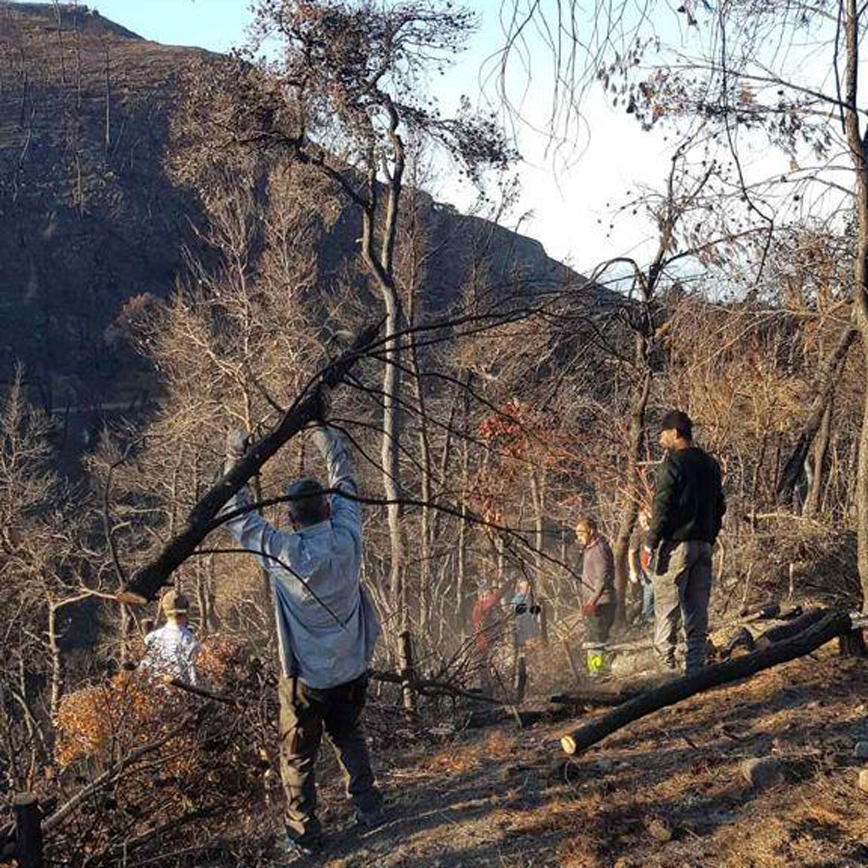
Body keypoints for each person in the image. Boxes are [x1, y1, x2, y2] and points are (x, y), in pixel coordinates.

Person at [223, 421, 383, 861]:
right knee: (349, 734)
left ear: (291, 518)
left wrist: (237, 454)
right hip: (351, 667)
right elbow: (345, 477)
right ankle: (368, 806)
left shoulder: (283, 552)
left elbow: (237, 516)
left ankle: (305, 834)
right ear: (328, 509)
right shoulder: (348, 537)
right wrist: (320, 431)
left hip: (306, 679)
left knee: (297, 757)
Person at [643, 409, 726, 677]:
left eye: (664, 433)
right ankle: (695, 669)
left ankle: (665, 671)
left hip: (677, 546)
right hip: (704, 546)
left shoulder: (673, 464)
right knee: (697, 609)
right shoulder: (711, 464)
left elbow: (662, 507)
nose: (660, 439)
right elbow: (720, 505)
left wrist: (649, 544)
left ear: (676, 433)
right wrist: (710, 536)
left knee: (666, 607)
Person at [575, 516, 616, 677]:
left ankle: (597, 673)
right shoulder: (590, 548)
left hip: (602, 603)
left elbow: (602, 579)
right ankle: (597, 671)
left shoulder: (600, 550)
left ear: (591, 531)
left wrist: (591, 602)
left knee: (596, 640)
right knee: (594, 638)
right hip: (595, 603)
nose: (578, 538)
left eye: (580, 534)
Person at [142, 589, 201, 685]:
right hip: (182, 694)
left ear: (165, 612)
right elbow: (193, 677)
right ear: (185, 612)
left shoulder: (150, 638)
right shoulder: (190, 640)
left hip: (155, 693)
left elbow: (144, 670)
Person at [472, 581, 509, 693]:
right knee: (485, 669)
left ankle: (493, 691)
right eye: (488, 594)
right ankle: (487, 693)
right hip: (485, 644)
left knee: (491, 668)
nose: (490, 596)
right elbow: (492, 601)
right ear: (482, 595)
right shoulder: (480, 607)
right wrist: (506, 586)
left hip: (492, 642)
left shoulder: (491, 608)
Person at [627, 508, 655, 622]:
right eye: (642, 520)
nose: (645, 523)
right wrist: (633, 571)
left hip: (659, 565)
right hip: (646, 567)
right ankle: (647, 614)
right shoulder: (638, 533)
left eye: (646, 520)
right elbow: (631, 552)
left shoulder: (656, 529)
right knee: (649, 590)